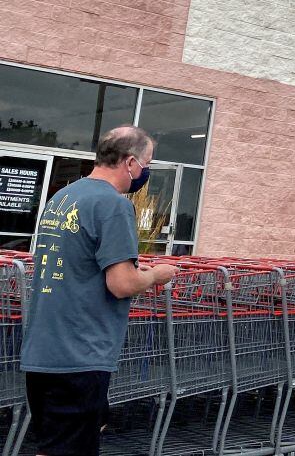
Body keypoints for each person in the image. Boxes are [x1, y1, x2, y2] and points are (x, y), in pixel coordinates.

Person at [19, 126, 179, 456]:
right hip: (81, 352)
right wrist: (156, 275)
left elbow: (82, 264)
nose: (146, 171)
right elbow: (121, 284)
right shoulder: (113, 205)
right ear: (131, 163)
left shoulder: (63, 197)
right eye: (148, 163)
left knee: (52, 447)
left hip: (44, 349)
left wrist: (136, 272)